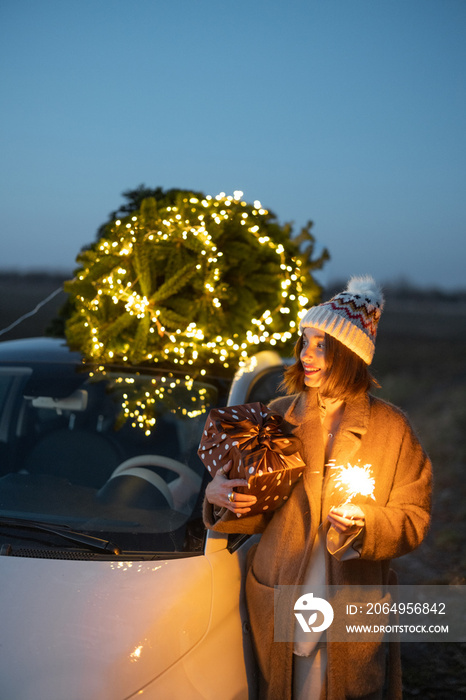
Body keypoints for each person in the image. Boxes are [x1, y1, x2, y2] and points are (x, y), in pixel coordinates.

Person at [203, 276, 432, 700]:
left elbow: (414, 517)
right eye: (304, 342)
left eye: (320, 345)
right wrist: (221, 497)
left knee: (347, 688)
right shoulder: (276, 418)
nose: (306, 355)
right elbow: (255, 511)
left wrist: (365, 524)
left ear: (348, 355)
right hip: (281, 594)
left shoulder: (392, 429)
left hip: (349, 601)